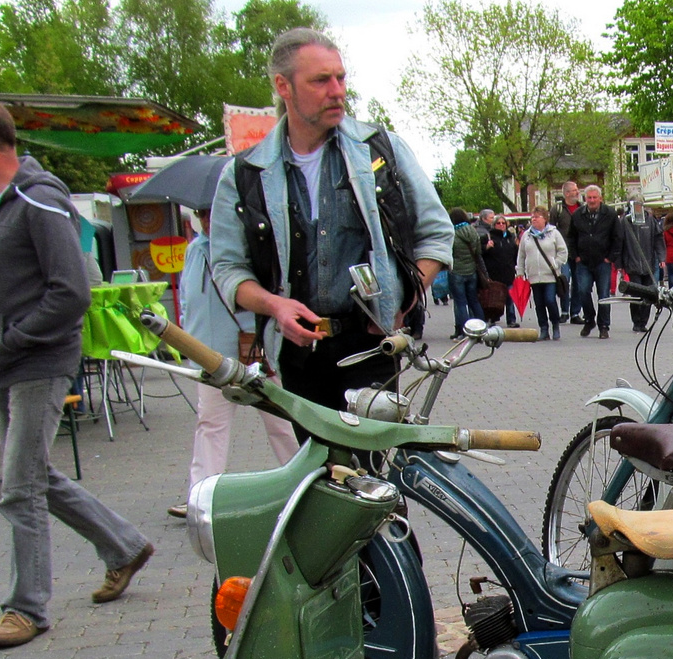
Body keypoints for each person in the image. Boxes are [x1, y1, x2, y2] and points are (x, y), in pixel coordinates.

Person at [0, 97, 154, 649]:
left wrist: (11, 341)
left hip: (36, 363)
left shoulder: (39, 200)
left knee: (19, 487)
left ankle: (26, 609)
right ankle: (124, 546)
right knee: (33, 474)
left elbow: (71, 292)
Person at [210, 28, 452, 428]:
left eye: (340, 77)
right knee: (320, 474)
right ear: (282, 86)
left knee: (369, 479)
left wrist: (402, 299)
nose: (337, 90)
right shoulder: (245, 173)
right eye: (320, 80)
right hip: (298, 352)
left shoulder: (380, 149)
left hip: (372, 345)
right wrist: (275, 307)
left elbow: (437, 234)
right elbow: (228, 269)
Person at [168, 209, 299, 519]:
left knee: (281, 421)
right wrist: (188, 337)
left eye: (212, 213)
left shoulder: (246, 247)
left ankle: (303, 484)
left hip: (253, 350)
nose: (207, 220)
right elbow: (188, 297)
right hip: (208, 353)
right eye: (201, 214)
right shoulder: (195, 249)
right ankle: (200, 497)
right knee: (210, 424)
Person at [568, 184, 620, 337]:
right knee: (583, 291)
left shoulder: (610, 214)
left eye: (594, 197)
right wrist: (575, 256)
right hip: (583, 261)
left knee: (604, 295)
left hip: (603, 261)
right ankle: (589, 319)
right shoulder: (577, 214)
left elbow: (617, 238)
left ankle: (604, 326)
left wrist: (610, 257)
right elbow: (571, 237)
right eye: (589, 198)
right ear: (585, 199)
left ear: (600, 198)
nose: (591, 200)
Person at [517, 206, 568, 339]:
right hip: (533, 276)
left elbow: (563, 251)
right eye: (532, 217)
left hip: (550, 275)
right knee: (539, 304)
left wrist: (555, 263)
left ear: (545, 219)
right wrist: (520, 271)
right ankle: (543, 329)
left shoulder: (553, 233)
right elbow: (521, 254)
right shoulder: (527, 235)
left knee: (550, 300)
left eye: (537, 217)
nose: (534, 219)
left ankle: (555, 325)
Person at [618, 196, 663, 332]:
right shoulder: (625, 221)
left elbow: (658, 239)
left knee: (649, 294)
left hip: (649, 263)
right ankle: (636, 321)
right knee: (636, 294)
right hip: (632, 264)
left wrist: (661, 257)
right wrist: (619, 263)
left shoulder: (650, 220)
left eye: (640, 204)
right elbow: (619, 242)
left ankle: (643, 321)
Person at [448, 207, 485, 336]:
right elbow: (478, 252)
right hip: (472, 271)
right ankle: (481, 328)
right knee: (474, 301)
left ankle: (464, 331)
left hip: (457, 271)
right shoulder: (473, 231)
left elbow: (449, 253)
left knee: (461, 303)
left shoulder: (452, 233)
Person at [551, 181, 581, 320]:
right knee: (564, 280)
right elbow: (551, 230)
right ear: (567, 193)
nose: (577, 192)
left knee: (578, 282)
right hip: (562, 251)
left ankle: (575, 312)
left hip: (579, 251)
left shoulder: (582, 208)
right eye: (575, 190)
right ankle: (564, 311)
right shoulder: (557, 209)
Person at [483, 213, 520, 327]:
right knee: (493, 298)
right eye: (498, 223)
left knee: (510, 298)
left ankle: (511, 320)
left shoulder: (511, 238)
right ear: (494, 225)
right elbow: (480, 254)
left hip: (508, 273)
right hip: (494, 273)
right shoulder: (488, 237)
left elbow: (516, 256)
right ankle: (491, 318)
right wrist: (486, 248)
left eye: (503, 223)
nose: (501, 225)